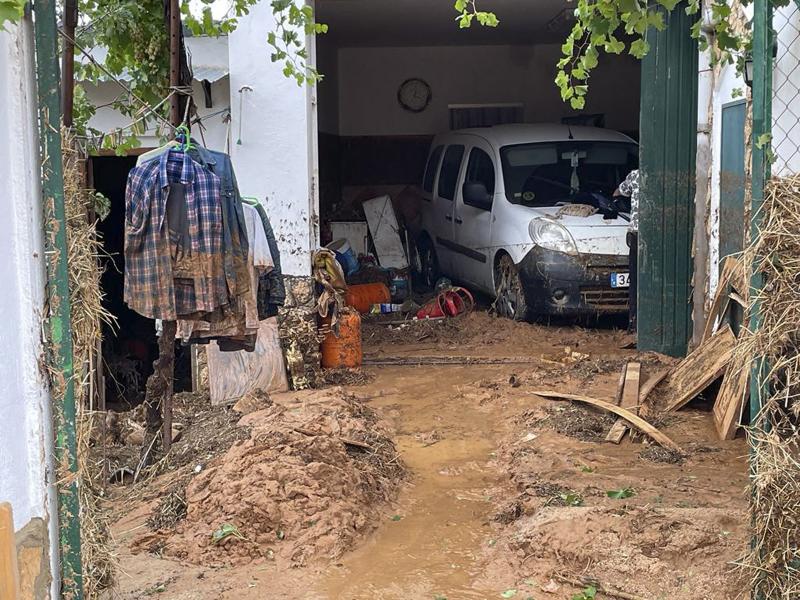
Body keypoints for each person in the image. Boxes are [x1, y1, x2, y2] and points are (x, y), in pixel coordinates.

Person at [614, 169, 639, 333]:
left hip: (637, 234)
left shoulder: (635, 175)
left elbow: (617, 193)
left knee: (635, 280)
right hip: (660, 233)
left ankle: (634, 323)